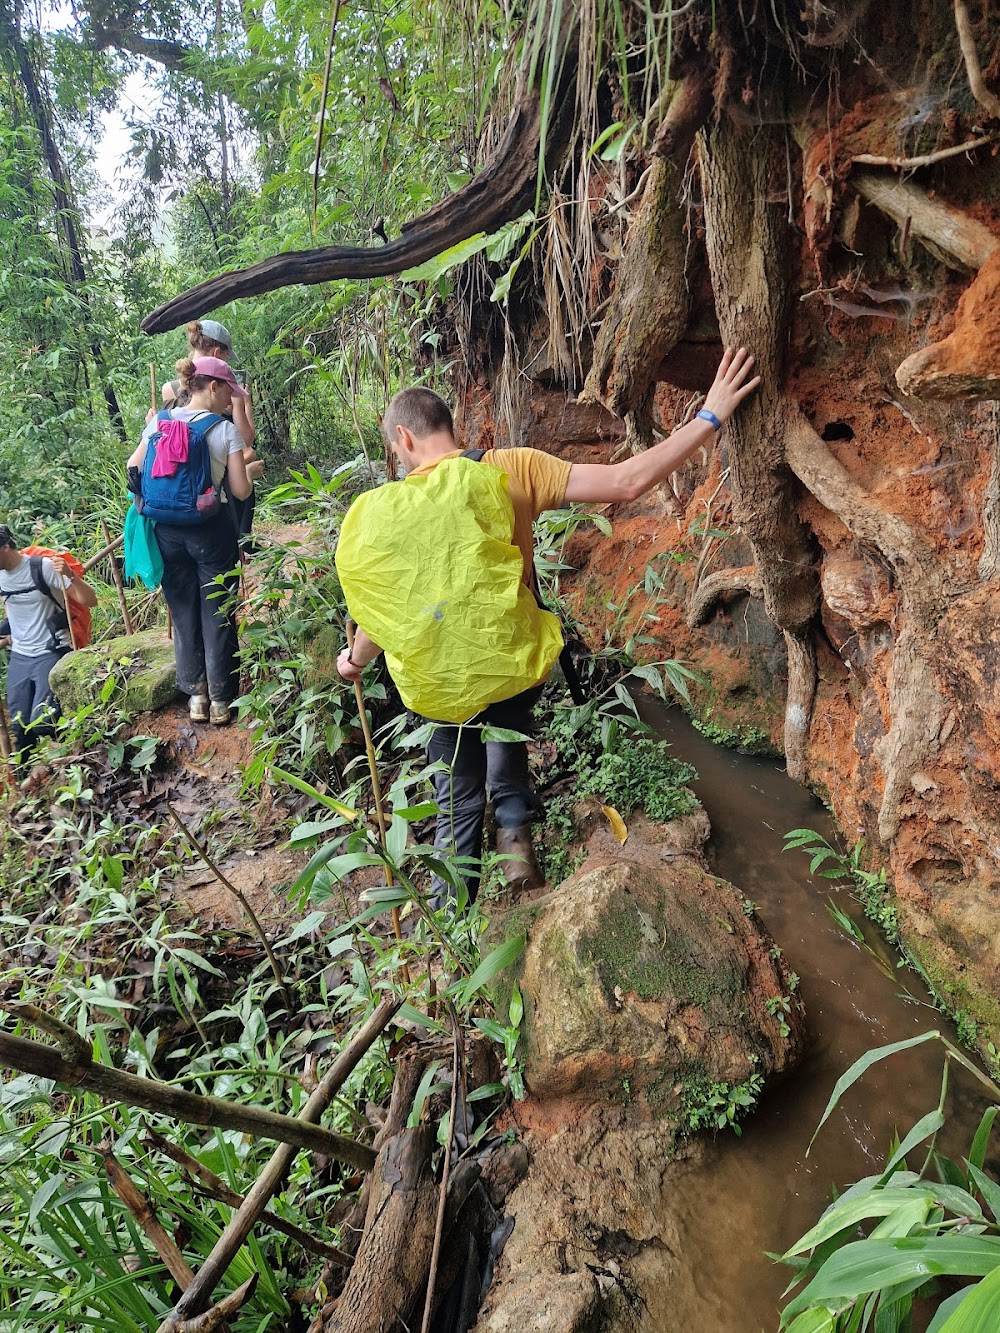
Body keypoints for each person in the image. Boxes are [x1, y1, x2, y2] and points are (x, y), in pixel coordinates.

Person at [336, 347, 760, 908]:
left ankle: (453, 904)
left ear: (404, 440)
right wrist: (709, 416)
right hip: (511, 659)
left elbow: (384, 610)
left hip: (438, 680)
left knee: (455, 789)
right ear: (451, 427)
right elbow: (628, 481)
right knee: (506, 747)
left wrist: (355, 662)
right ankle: (517, 850)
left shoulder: (389, 509)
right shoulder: (511, 466)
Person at [129, 356, 253, 726]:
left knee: (182, 612)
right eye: (229, 391)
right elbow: (240, 490)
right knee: (217, 610)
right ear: (213, 387)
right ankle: (221, 701)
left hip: (166, 532)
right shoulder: (224, 430)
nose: (232, 399)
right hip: (209, 531)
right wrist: (247, 469)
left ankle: (195, 696)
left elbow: (132, 467)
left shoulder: (159, 423)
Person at [162, 319, 262, 548]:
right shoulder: (222, 391)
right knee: (224, 561)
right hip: (218, 492)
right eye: (225, 358)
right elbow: (246, 440)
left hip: (181, 494)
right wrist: (242, 403)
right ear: (217, 352)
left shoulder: (170, 389)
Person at [0, 524, 97, 752]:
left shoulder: (41, 568)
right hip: (21, 655)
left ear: (5, 547)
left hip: (52, 650)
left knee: (44, 721)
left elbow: (90, 600)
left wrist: (70, 576)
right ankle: (27, 779)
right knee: (19, 726)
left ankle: (73, 754)